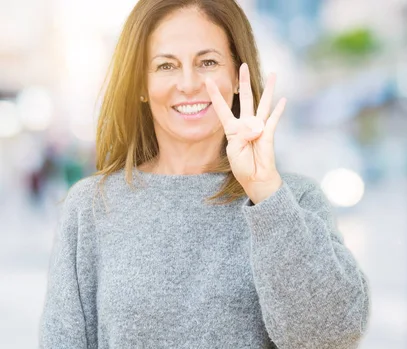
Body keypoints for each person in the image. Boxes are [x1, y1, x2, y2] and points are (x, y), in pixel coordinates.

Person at [39, 0, 371, 348]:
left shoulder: (292, 200)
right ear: (140, 84)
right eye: (166, 65)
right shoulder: (92, 207)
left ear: (237, 77)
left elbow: (331, 335)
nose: (188, 83)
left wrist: (266, 192)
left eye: (208, 62)